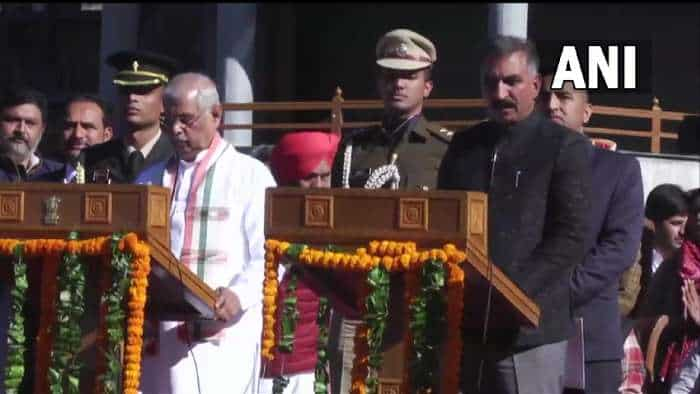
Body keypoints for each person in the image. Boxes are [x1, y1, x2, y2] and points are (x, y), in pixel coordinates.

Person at [438, 35, 591, 394]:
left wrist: (511, 293)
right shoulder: (464, 147)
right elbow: (445, 221)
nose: (500, 92)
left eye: (512, 81)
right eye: (491, 83)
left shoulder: (564, 147)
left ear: (536, 86)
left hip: (529, 332)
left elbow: (571, 234)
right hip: (468, 327)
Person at [134, 72, 276, 394]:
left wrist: (239, 294)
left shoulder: (250, 175)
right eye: (169, 120)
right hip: (160, 334)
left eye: (186, 119)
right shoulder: (149, 179)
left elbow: (269, 252)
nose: (176, 130)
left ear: (216, 115)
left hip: (222, 335)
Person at [329, 28, 451, 394]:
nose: (399, 84)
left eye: (410, 77)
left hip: (420, 297)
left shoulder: (443, 150)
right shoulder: (354, 147)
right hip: (358, 296)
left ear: (427, 87)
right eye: (391, 75)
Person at [537, 70, 645, 393]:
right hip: (524, 336)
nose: (553, 105)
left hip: (589, 337)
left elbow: (620, 248)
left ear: (586, 111)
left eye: (564, 97)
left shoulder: (617, 170)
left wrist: (559, 292)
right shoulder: (519, 168)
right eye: (545, 97)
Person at [259, 130, 351, 393]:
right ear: (288, 180)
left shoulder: (342, 227)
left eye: (325, 177)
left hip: (317, 368)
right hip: (264, 365)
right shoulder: (265, 219)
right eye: (310, 177)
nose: (320, 186)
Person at [83, 49, 178, 183]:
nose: (132, 97)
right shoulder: (92, 158)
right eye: (125, 90)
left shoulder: (177, 156)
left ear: (165, 101)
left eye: (143, 91)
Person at [0, 86, 73, 182]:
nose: (21, 130)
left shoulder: (61, 175)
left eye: (30, 123)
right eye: (13, 120)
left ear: (42, 129)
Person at [59, 93, 114, 166]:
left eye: (87, 127)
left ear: (107, 135)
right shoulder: (44, 176)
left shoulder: (120, 176)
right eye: (70, 126)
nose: (77, 134)